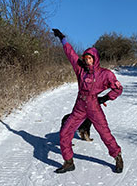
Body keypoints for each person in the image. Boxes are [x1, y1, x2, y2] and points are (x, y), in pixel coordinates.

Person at [52, 28, 124, 174]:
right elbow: (70, 54)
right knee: (65, 132)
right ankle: (68, 162)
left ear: (95, 59)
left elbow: (118, 88)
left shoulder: (105, 74)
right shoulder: (80, 70)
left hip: (94, 107)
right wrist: (63, 39)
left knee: (105, 133)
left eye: (90, 59)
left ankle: (117, 156)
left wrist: (105, 97)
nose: (87, 61)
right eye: (85, 59)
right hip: (79, 106)